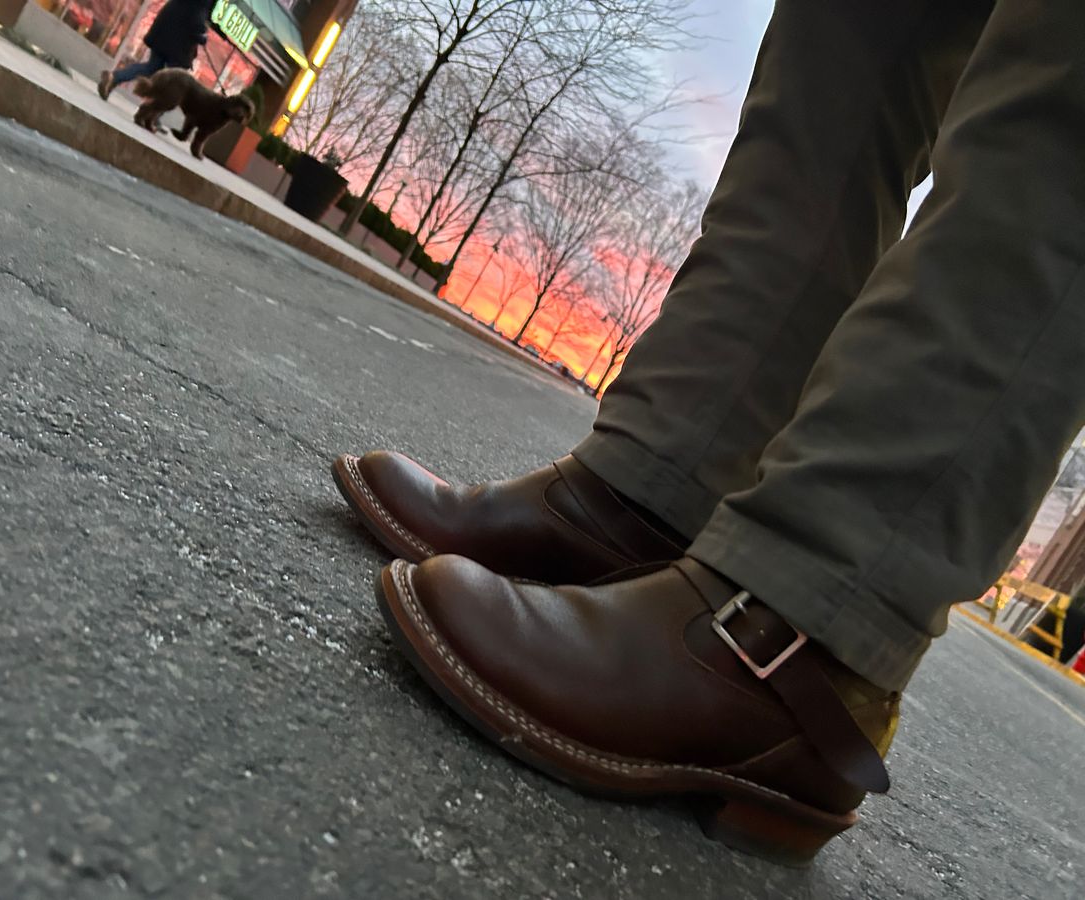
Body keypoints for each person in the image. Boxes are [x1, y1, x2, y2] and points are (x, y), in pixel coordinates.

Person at [331, 0, 1085, 866]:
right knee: (847, 53)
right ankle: (654, 488)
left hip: (808, 634)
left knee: (1058, 99)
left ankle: (810, 624)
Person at [97, 0, 212, 101]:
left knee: (152, 67)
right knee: (173, 81)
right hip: (179, 39)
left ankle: (114, 78)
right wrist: (201, 35)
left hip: (166, 26)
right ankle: (152, 112)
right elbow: (197, 16)